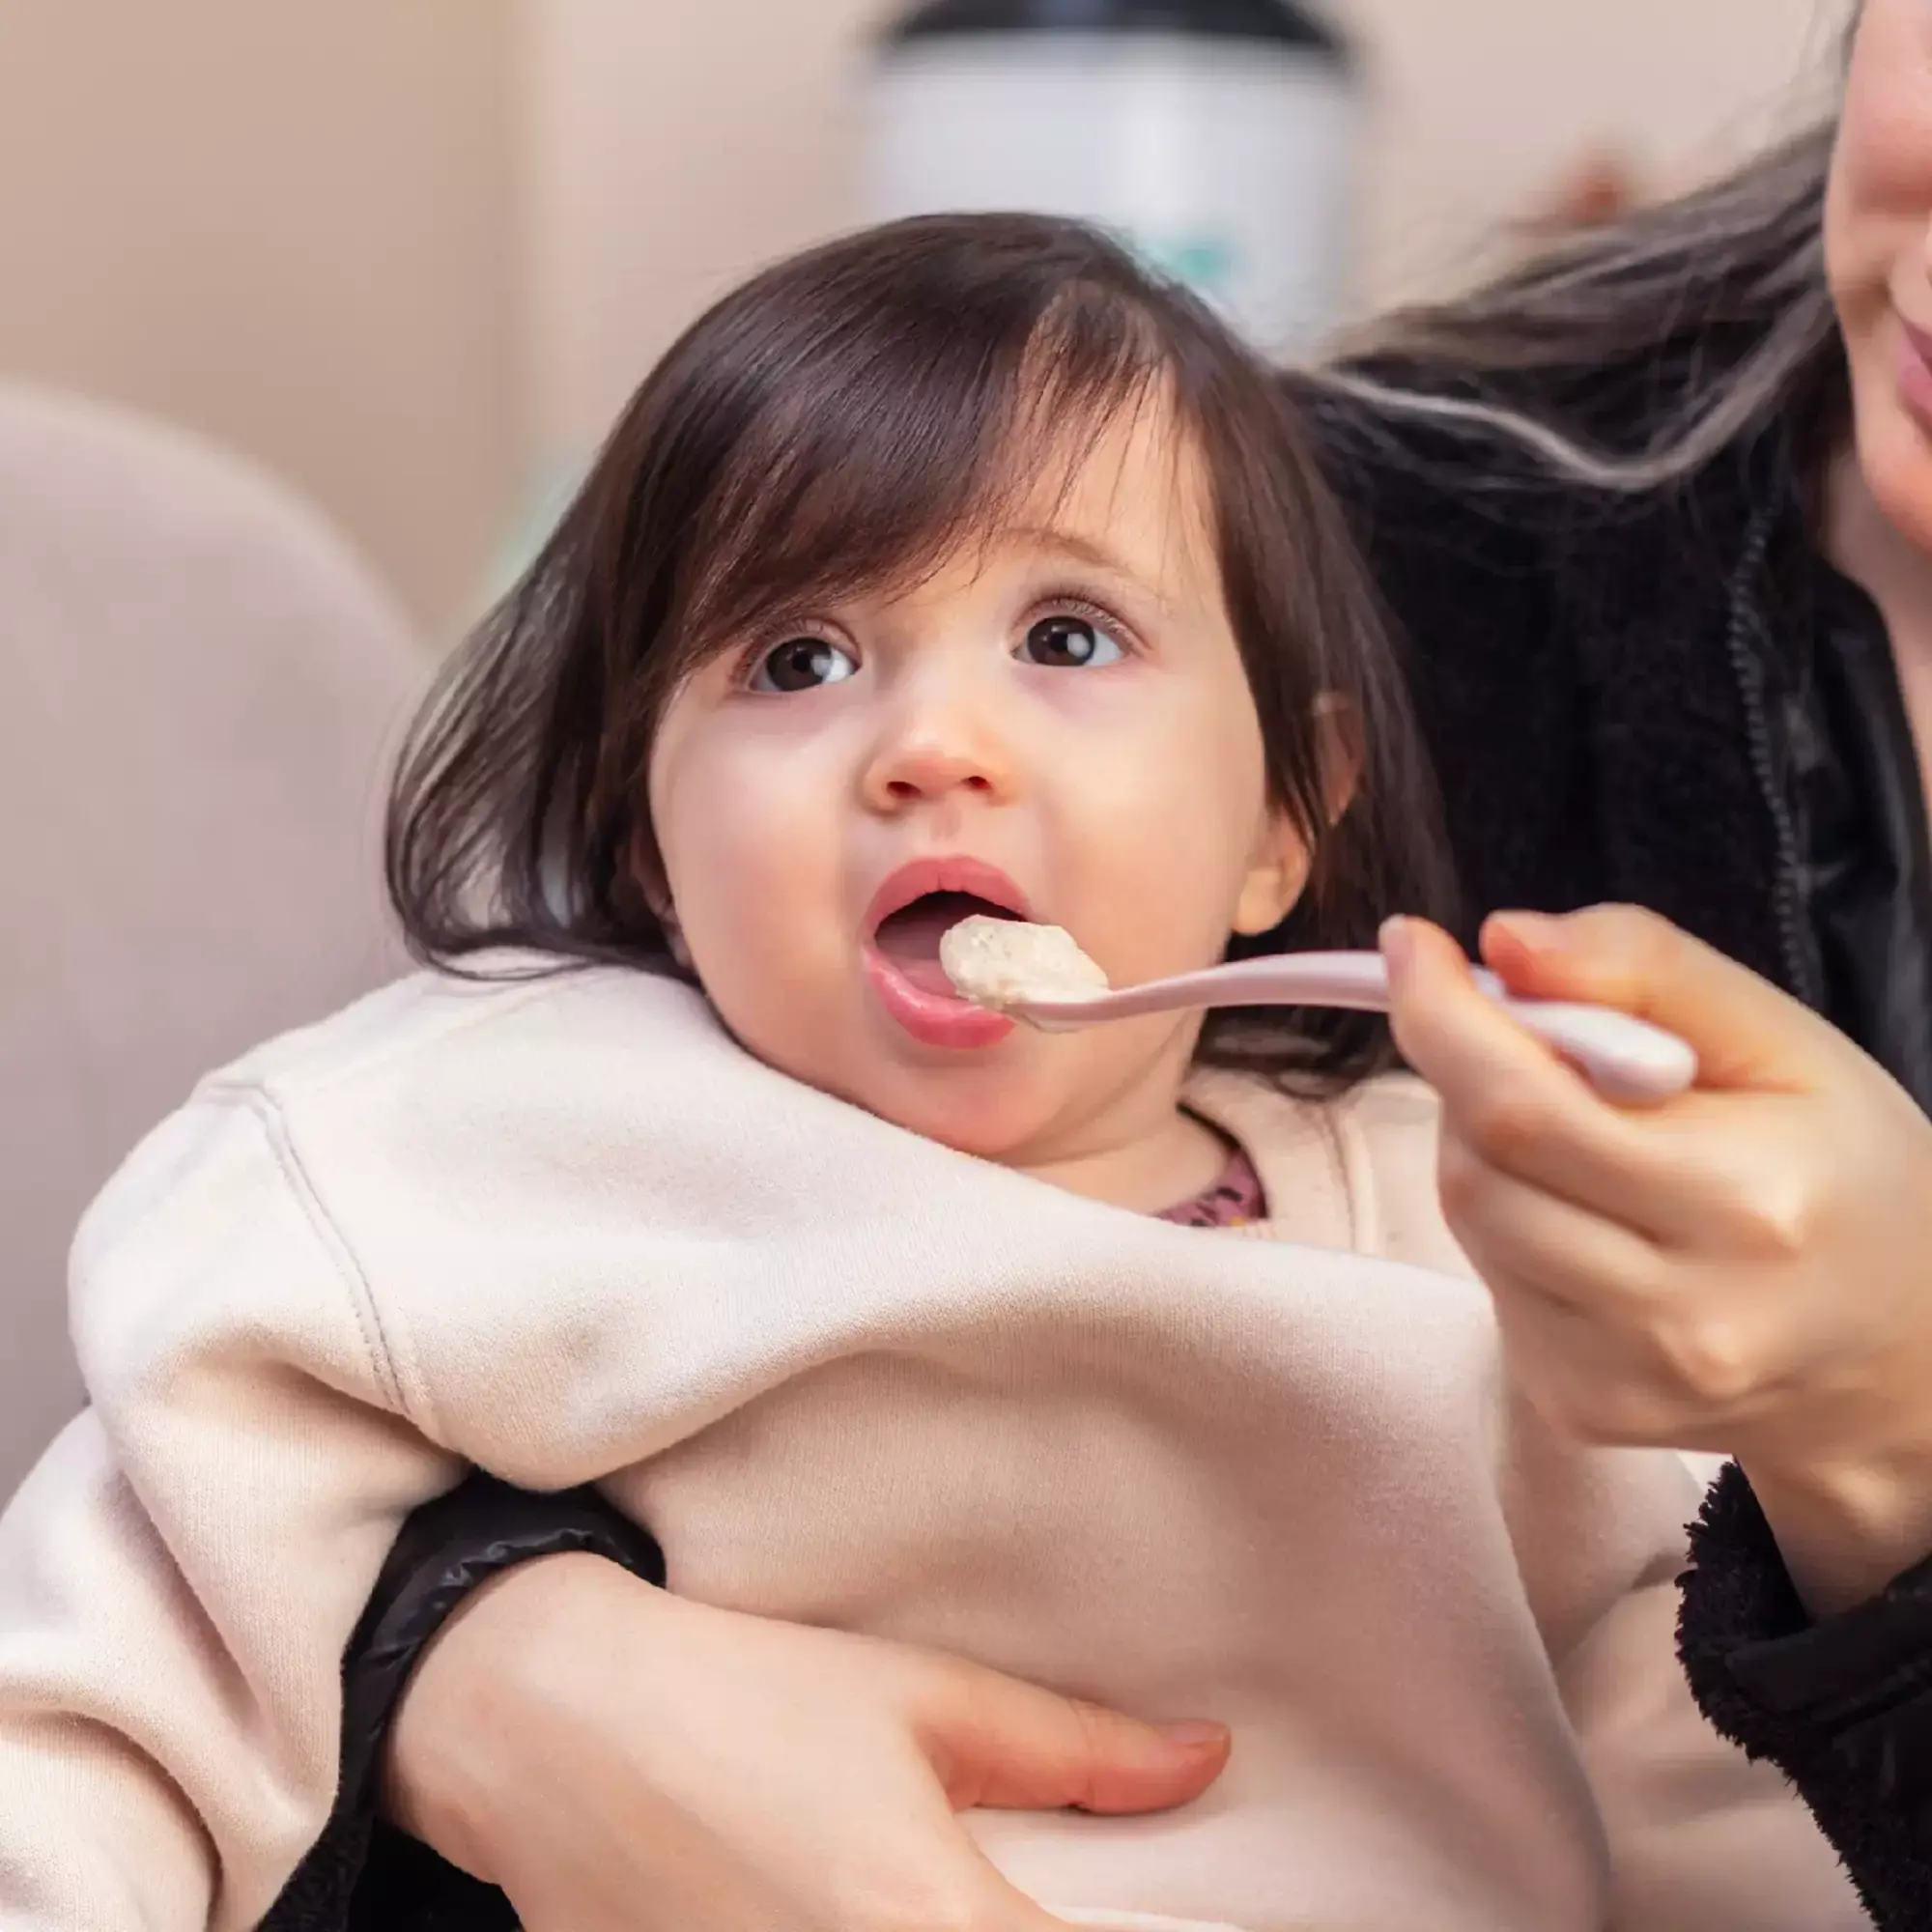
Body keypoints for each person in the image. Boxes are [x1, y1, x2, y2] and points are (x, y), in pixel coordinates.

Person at [0, 214, 1870, 1931]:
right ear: (649, 840)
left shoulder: (1475, 1241)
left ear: (1280, 825)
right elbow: (115, 1689)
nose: (931, 744)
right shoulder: (468, 1152)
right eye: (799, 659)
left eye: (1066, 636)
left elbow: (1723, 1793)